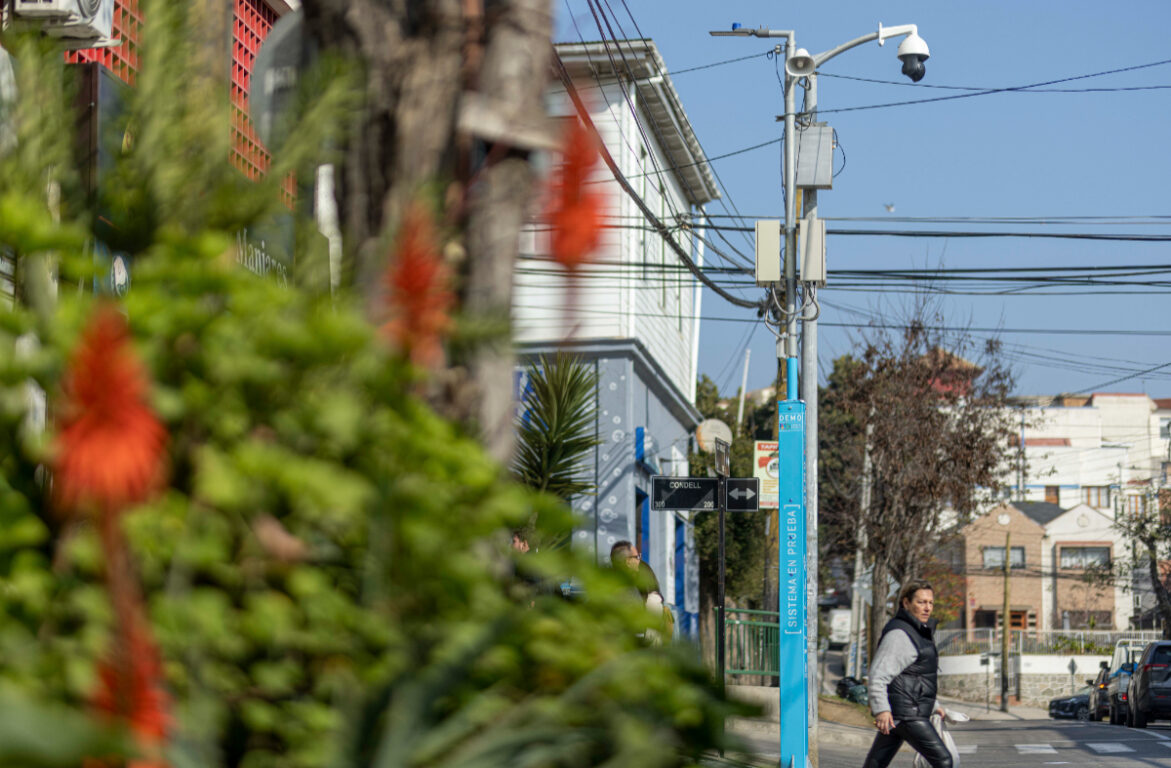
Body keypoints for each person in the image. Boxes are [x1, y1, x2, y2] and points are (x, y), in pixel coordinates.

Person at [862, 579, 952, 768]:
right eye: (921, 602)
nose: (927, 608)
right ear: (906, 603)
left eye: (930, 602)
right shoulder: (900, 634)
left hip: (903, 711)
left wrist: (934, 705)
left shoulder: (918, 632)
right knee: (943, 761)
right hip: (908, 714)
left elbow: (915, 677)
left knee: (876, 764)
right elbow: (878, 675)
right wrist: (881, 709)